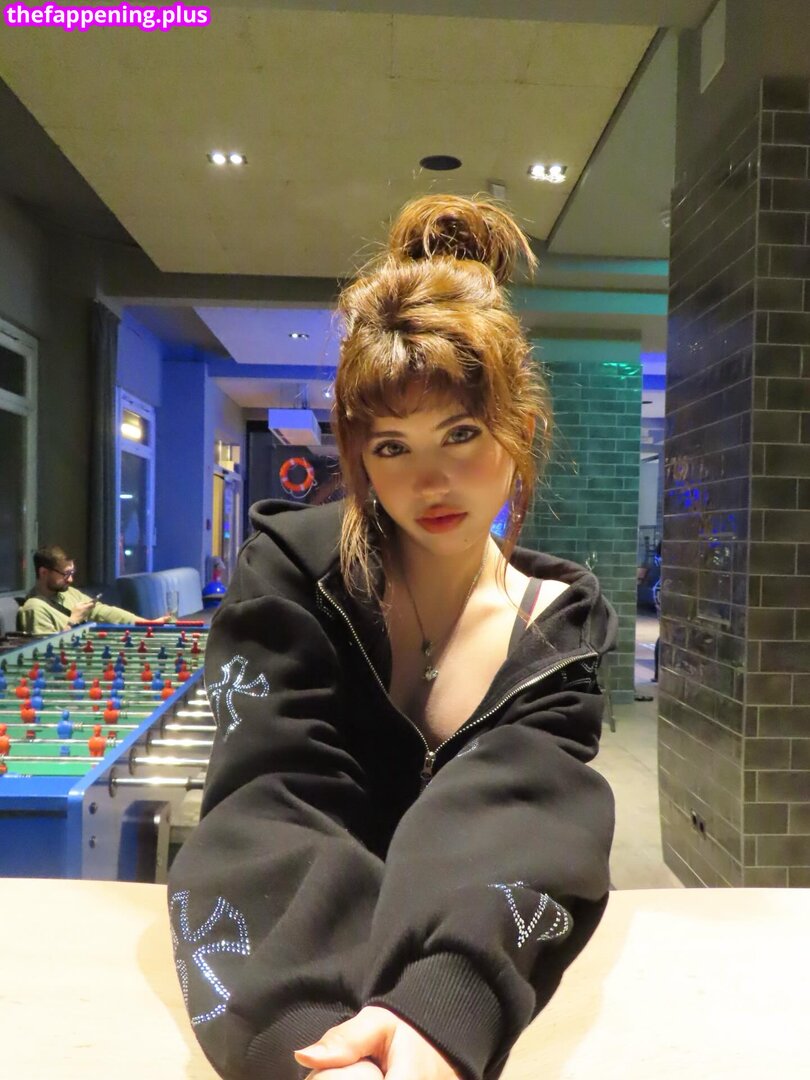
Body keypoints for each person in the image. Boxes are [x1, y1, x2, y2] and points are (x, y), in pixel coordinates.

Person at [168, 194, 618, 1080]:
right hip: (281, 970)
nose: (430, 480)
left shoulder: (555, 629)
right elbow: (271, 797)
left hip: (452, 976)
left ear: (520, 430)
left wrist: (437, 1013)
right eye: (391, 447)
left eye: (461, 434)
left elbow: (529, 819)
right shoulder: (296, 576)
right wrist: (313, 1042)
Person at [18, 545, 170, 634]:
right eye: (65, 574)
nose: (70, 580)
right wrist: (73, 620)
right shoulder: (35, 608)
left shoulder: (68, 593)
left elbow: (103, 612)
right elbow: (44, 655)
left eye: (72, 573)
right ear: (44, 572)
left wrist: (146, 624)